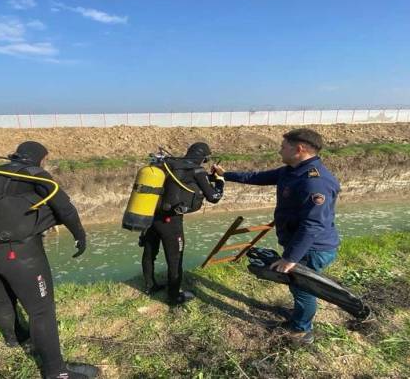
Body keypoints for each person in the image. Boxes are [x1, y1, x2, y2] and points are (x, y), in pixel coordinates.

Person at [0, 141, 98, 379]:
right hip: (21, 254)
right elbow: (65, 208)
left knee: (1, 298)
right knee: (41, 311)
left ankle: (14, 339)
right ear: (39, 157)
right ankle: (56, 373)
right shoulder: (33, 173)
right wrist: (80, 235)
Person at [212, 129, 340, 345]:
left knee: (303, 289)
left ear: (299, 149)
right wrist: (225, 174)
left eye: (284, 146)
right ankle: (300, 317)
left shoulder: (315, 182)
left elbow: (312, 225)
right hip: (301, 243)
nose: (280, 149)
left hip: (312, 248)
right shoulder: (292, 170)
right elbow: (257, 177)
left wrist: (290, 258)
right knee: (299, 288)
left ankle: (302, 331)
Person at [141, 142, 225, 305]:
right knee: (175, 259)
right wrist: (220, 180)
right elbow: (213, 197)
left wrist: (208, 177)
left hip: (152, 216)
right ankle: (174, 297)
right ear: (203, 157)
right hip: (171, 221)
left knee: (149, 252)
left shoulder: (169, 164)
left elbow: (182, 181)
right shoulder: (197, 170)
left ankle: (150, 286)